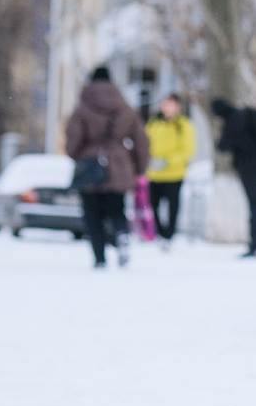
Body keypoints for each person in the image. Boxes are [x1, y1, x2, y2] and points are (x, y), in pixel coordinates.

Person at [65, 66, 150, 268]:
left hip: (91, 166)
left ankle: (100, 257)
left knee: (92, 214)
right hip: (120, 167)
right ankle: (121, 234)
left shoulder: (82, 108)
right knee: (117, 209)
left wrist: (80, 155)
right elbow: (141, 141)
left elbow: (72, 142)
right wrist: (139, 167)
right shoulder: (125, 108)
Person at [211, 98, 256, 259]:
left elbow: (222, 146)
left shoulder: (234, 121)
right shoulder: (247, 116)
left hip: (249, 169)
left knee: (255, 208)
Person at [144, 93, 196, 246]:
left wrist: (168, 161)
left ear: (177, 107)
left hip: (174, 173)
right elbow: (145, 142)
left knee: (173, 206)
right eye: (165, 104)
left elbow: (188, 150)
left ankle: (170, 233)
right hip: (155, 173)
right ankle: (159, 231)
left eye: (170, 105)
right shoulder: (154, 123)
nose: (166, 108)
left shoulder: (183, 125)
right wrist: (149, 161)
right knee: (153, 204)